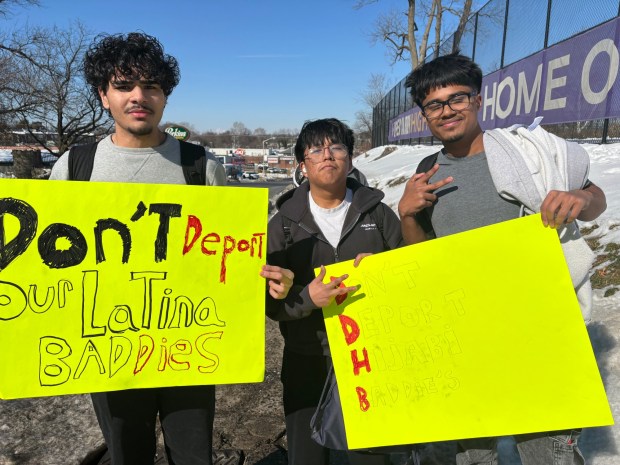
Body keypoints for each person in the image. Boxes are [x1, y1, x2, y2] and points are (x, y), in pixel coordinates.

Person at [397, 51, 607, 465]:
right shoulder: (426, 171)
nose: (447, 111)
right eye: (434, 105)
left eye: (457, 98)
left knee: (548, 452)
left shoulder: (529, 154)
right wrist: (406, 213)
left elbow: (596, 200)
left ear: (478, 99)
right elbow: (421, 258)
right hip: (466, 333)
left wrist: (579, 197)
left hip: (538, 326)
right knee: (473, 454)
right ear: (424, 115)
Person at [50, 32, 226, 465]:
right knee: (127, 454)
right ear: (103, 95)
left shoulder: (201, 167)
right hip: (108, 349)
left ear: (165, 96)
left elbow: (232, 255)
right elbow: (49, 266)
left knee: (193, 455)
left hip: (188, 345)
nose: (138, 96)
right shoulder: (75, 167)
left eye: (151, 86)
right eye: (124, 85)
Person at [260, 118, 403, 465]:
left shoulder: (380, 215)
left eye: (337, 147)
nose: (327, 155)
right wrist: (308, 298)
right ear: (302, 165)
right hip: (307, 357)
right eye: (315, 150)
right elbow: (270, 304)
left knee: (371, 456)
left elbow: (406, 280)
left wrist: (384, 273)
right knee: (307, 455)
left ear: (351, 160)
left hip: (371, 357)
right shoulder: (281, 225)